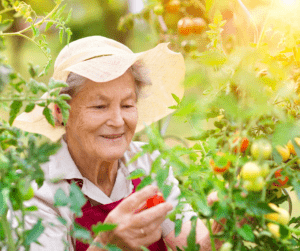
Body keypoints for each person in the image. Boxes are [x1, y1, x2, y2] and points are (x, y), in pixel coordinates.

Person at [13, 36, 223, 251]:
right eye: (100, 106)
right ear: (60, 111)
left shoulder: (147, 162)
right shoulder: (38, 188)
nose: (117, 121)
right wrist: (105, 245)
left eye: (127, 105)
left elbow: (193, 246)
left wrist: (224, 222)